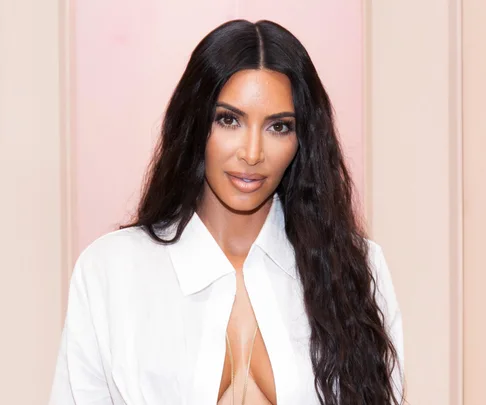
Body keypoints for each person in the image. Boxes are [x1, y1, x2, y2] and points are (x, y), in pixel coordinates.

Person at [49, 19, 404, 405]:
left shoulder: (356, 268)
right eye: (229, 120)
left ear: (303, 140)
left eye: (279, 127)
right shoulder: (112, 270)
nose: (252, 153)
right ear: (194, 124)